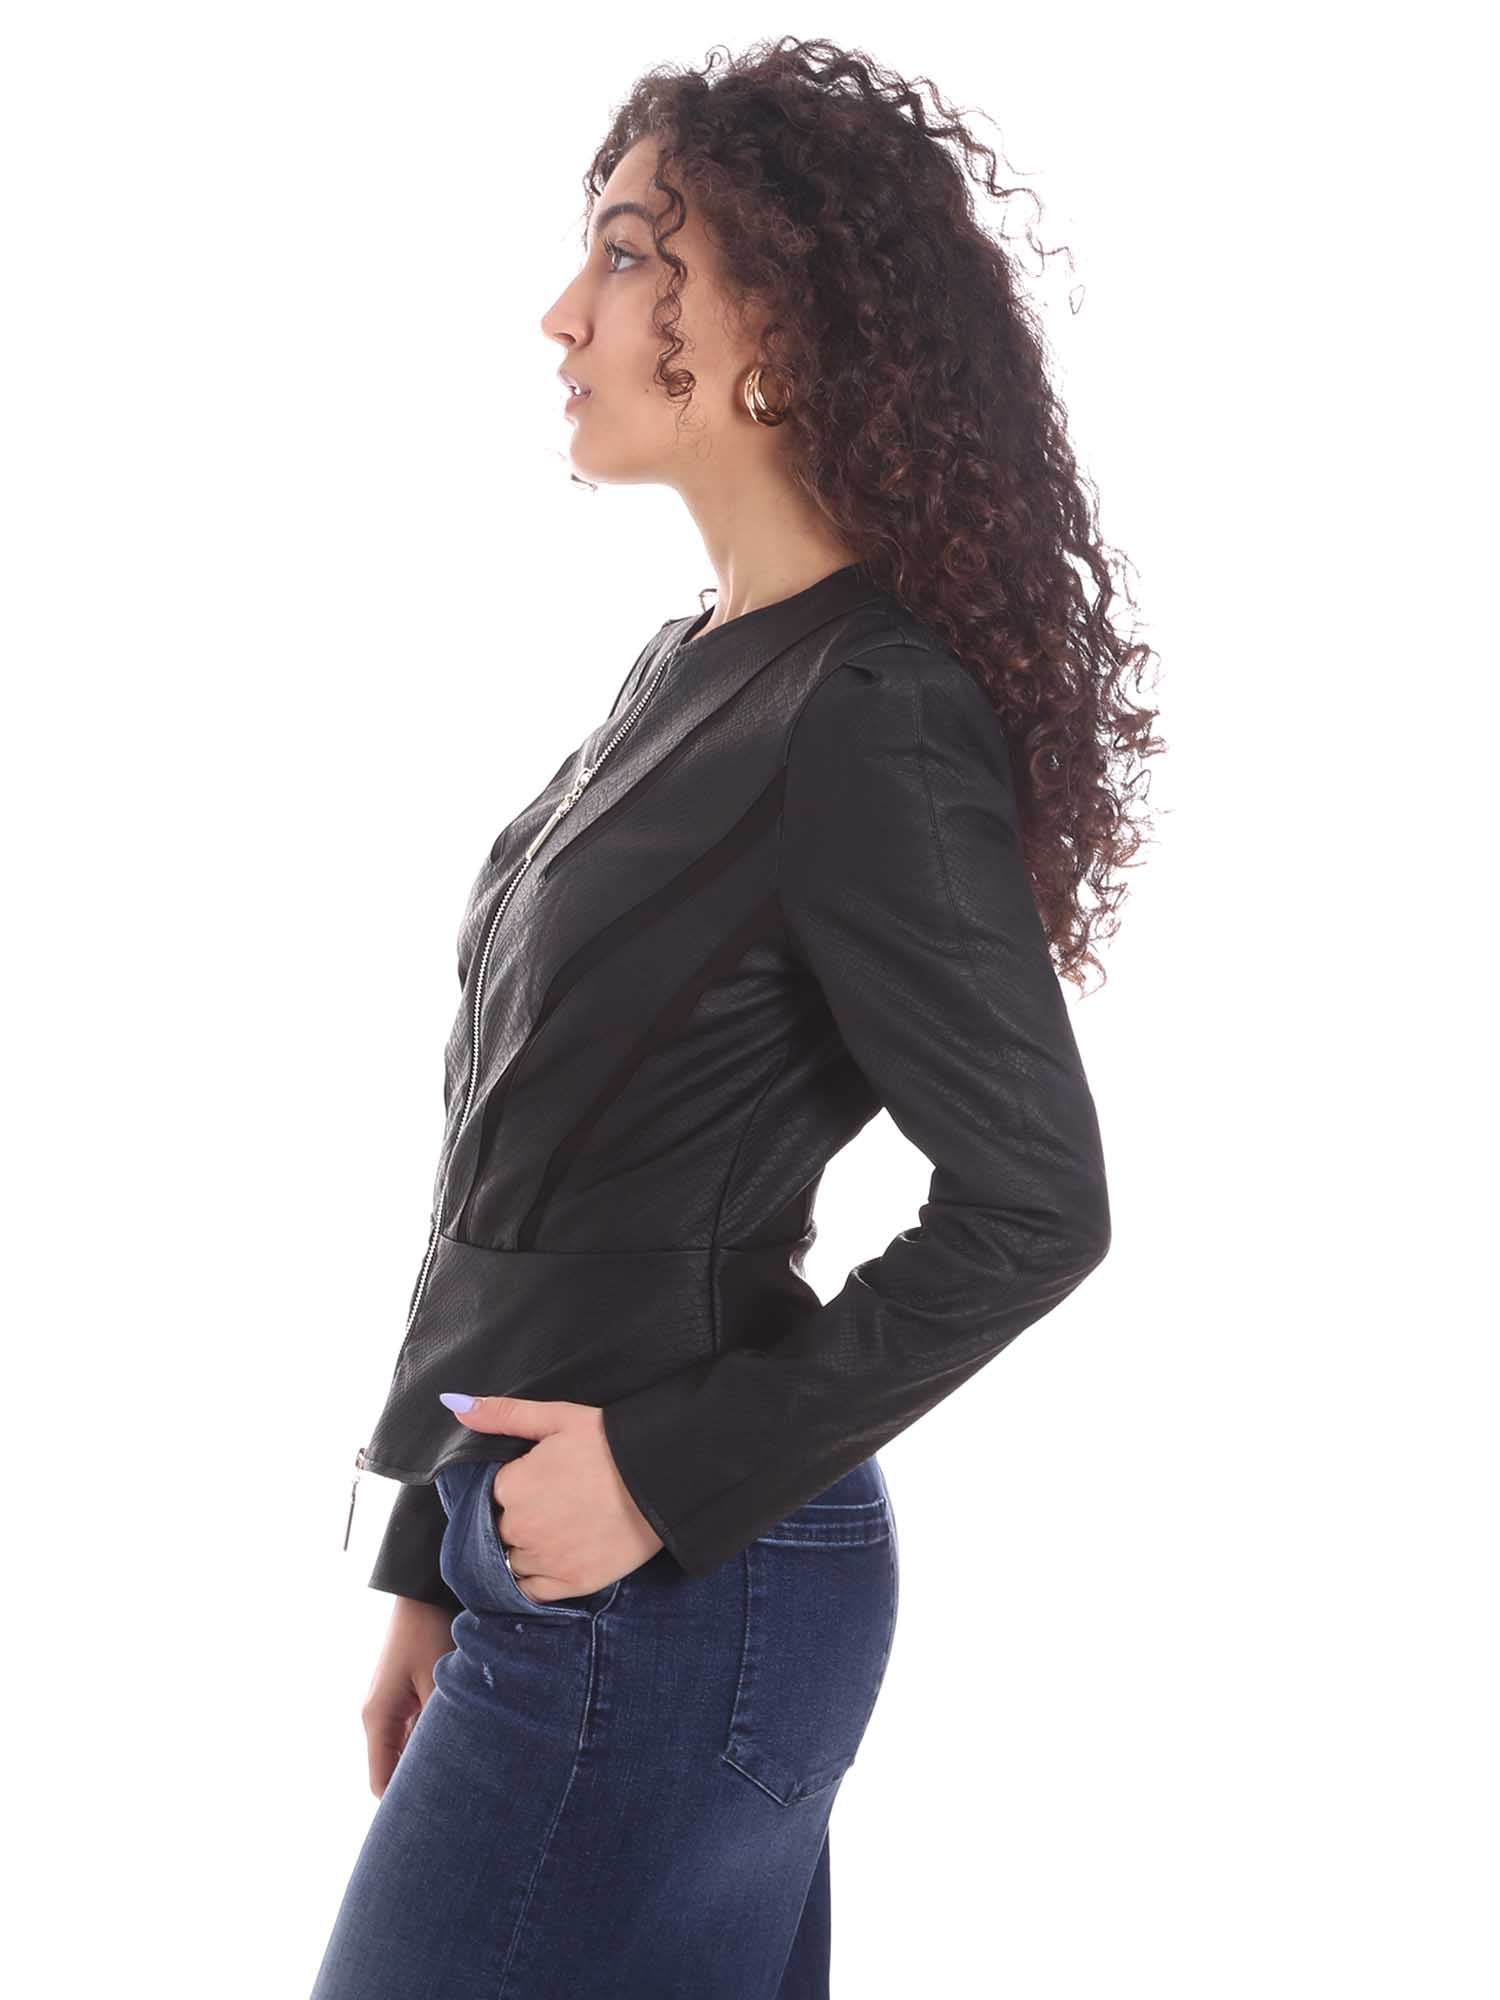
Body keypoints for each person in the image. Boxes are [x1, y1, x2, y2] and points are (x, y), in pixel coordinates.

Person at [311, 35, 1159, 2000]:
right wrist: (431, 1552)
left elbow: (1038, 1201)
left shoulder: (869, 710)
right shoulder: (691, 668)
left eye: (628, 256)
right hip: (574, 1561)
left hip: (675, 1581)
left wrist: (658, 1479)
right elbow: (522, 1163)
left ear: (777, 324)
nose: (564, 312)